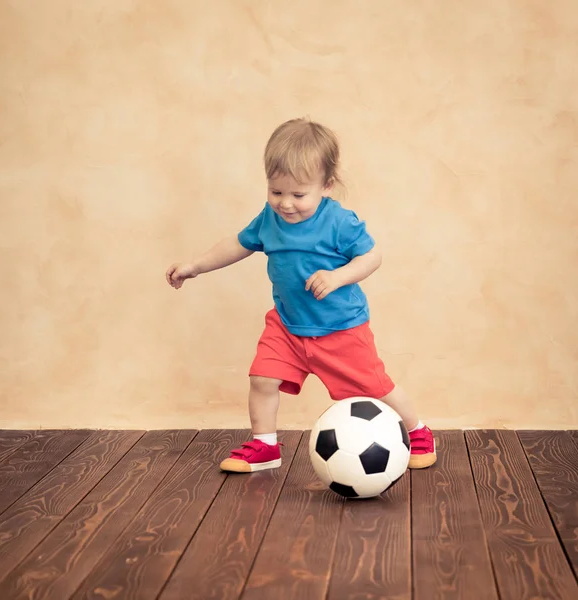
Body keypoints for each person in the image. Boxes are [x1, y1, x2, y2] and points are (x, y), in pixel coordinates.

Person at [166, 118, 436, 472]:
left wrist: (339, 276)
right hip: (287, 325)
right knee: (262, 378)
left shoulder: (339, 221)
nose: (285, 204)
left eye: (298, 195)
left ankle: (418, 432)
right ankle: (265, 446)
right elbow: (237, 244)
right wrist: (196, 265)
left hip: (339, 329)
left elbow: (372, 256)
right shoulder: (269, 218)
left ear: (326, 185)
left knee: (376, 386)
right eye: (276, 192)